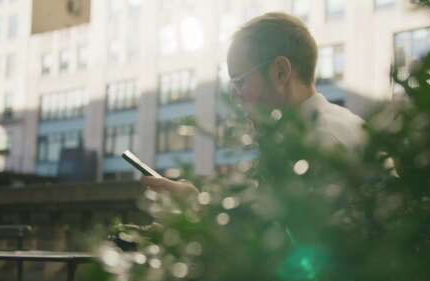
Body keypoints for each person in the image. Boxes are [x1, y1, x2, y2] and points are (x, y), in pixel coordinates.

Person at [142, 12, 365, 196]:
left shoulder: (323, 142)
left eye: (239, 81)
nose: (236, 97)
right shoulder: (318, 132)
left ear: (280, 72)